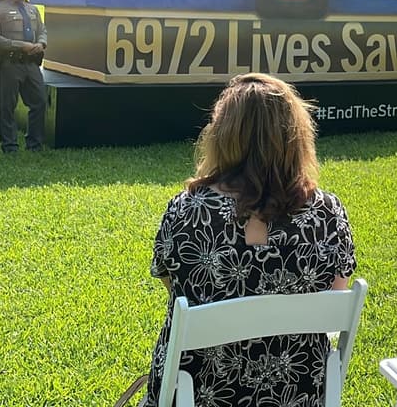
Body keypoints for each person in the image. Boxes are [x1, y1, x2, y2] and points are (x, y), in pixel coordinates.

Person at [145, 73, 357, 407]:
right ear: (296, 135)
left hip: (197, 392)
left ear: (222, 134)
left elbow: (176, 289)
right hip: (299, 393)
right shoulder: (328, 214)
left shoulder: (186, 210)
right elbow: (336, 296)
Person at [0, 0, 47, 153]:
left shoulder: (31, 8)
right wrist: (19, 45)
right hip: (10, 63)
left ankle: (35, 143)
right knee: (7, 105)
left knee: (39, 101)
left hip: (31, 63)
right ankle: (9, 145)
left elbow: (42, 30)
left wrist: (41, 43)